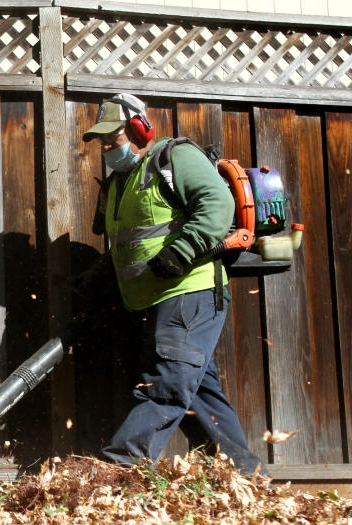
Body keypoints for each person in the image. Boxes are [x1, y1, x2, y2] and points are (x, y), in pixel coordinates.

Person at [82, 93, 264, 475]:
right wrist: (92, 280)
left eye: (112, 138)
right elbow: (128, 247)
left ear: (138, 130)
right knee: (200, 394)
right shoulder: (120, 182)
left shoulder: (175, 158)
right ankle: (242, 476)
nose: (107, 147)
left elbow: (216, 204)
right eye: (102, 141)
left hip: (189, 291)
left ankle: (119, 471)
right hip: (153, 303)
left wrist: (182, 251)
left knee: (164, 386)